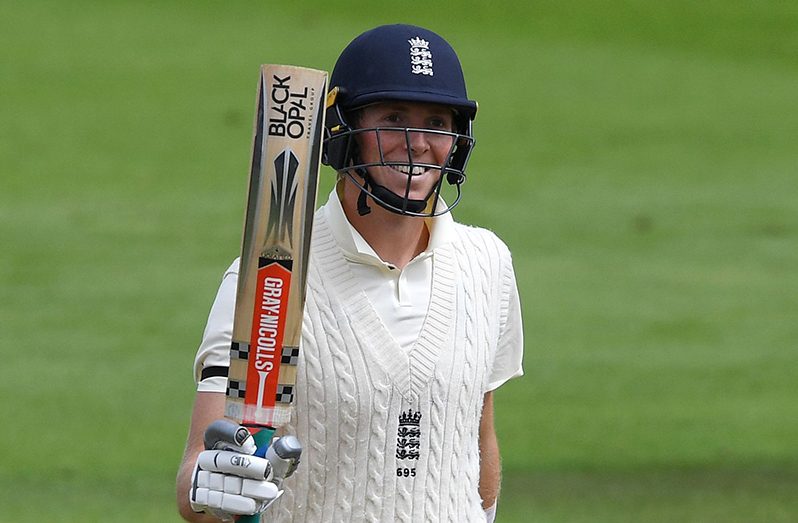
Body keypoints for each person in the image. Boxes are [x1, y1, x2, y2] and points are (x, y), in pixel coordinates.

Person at [177, 23, 524, 522]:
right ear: (343, 130)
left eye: (435, 123)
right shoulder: (269, 281)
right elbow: (197, 474)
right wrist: (211, 485)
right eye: (394, 118)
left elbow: (476, 440)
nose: (417, 143)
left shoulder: (487, 263)